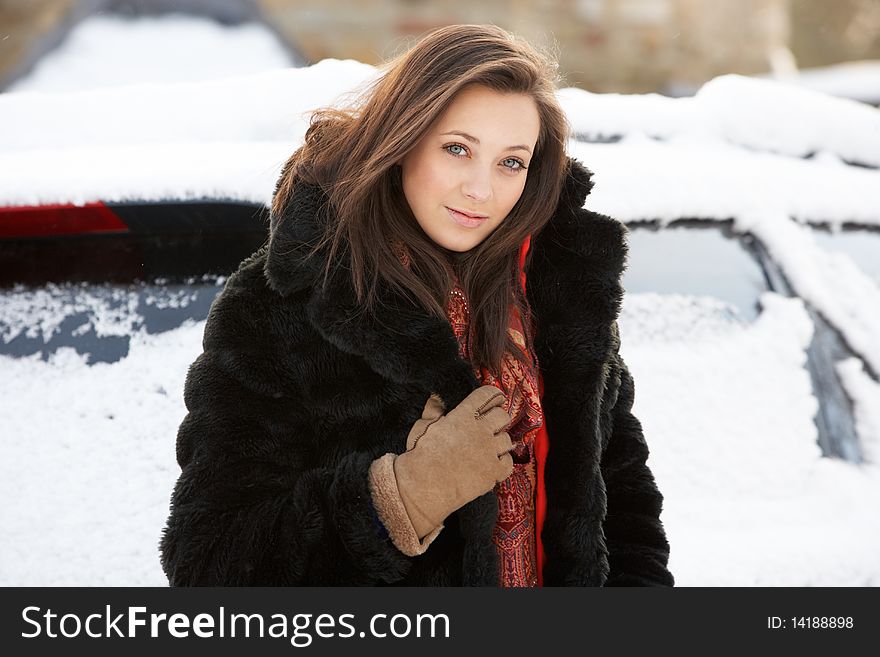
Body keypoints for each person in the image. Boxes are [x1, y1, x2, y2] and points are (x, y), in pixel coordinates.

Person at [159, 24, 673, 587]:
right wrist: (403, 496)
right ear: (403, 143)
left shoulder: (560, 295)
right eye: (458, 149)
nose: (482, 189)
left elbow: (623, 507)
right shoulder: (287, 305)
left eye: (511, 162)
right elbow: (208, 561)